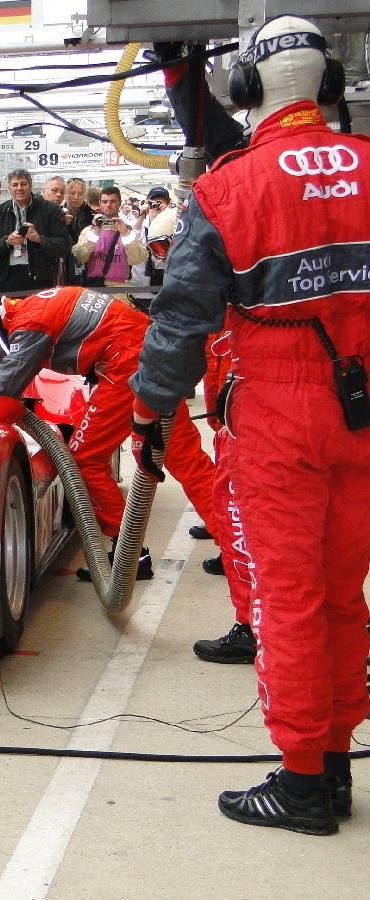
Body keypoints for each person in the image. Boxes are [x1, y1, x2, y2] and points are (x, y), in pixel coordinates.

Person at [130, 15, 366, 835]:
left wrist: (149, 411)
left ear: (248, 86)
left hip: (277, 415)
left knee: (288, 599)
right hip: (363, 411)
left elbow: (180, 323)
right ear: (328, 84)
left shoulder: (228, 188)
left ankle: (302, 783)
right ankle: (333, 762)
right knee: (343, 596)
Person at [0, 286, 216, 580]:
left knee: (84, 458)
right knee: (184, 455)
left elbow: (6, 385)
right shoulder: (29, 311)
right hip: (147, 354)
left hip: (127, 363)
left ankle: (130, 557)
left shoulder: (29, 323)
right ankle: (234, 539)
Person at [0, 168, 69, 295]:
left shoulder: (50, 210)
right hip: (5, 279)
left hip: (39, 278)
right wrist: (6, 242)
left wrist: (39, 240)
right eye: (15, 185)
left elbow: (64, 245)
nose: (19, 188)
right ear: (9, 188)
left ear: (30, 186)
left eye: (23, 184)